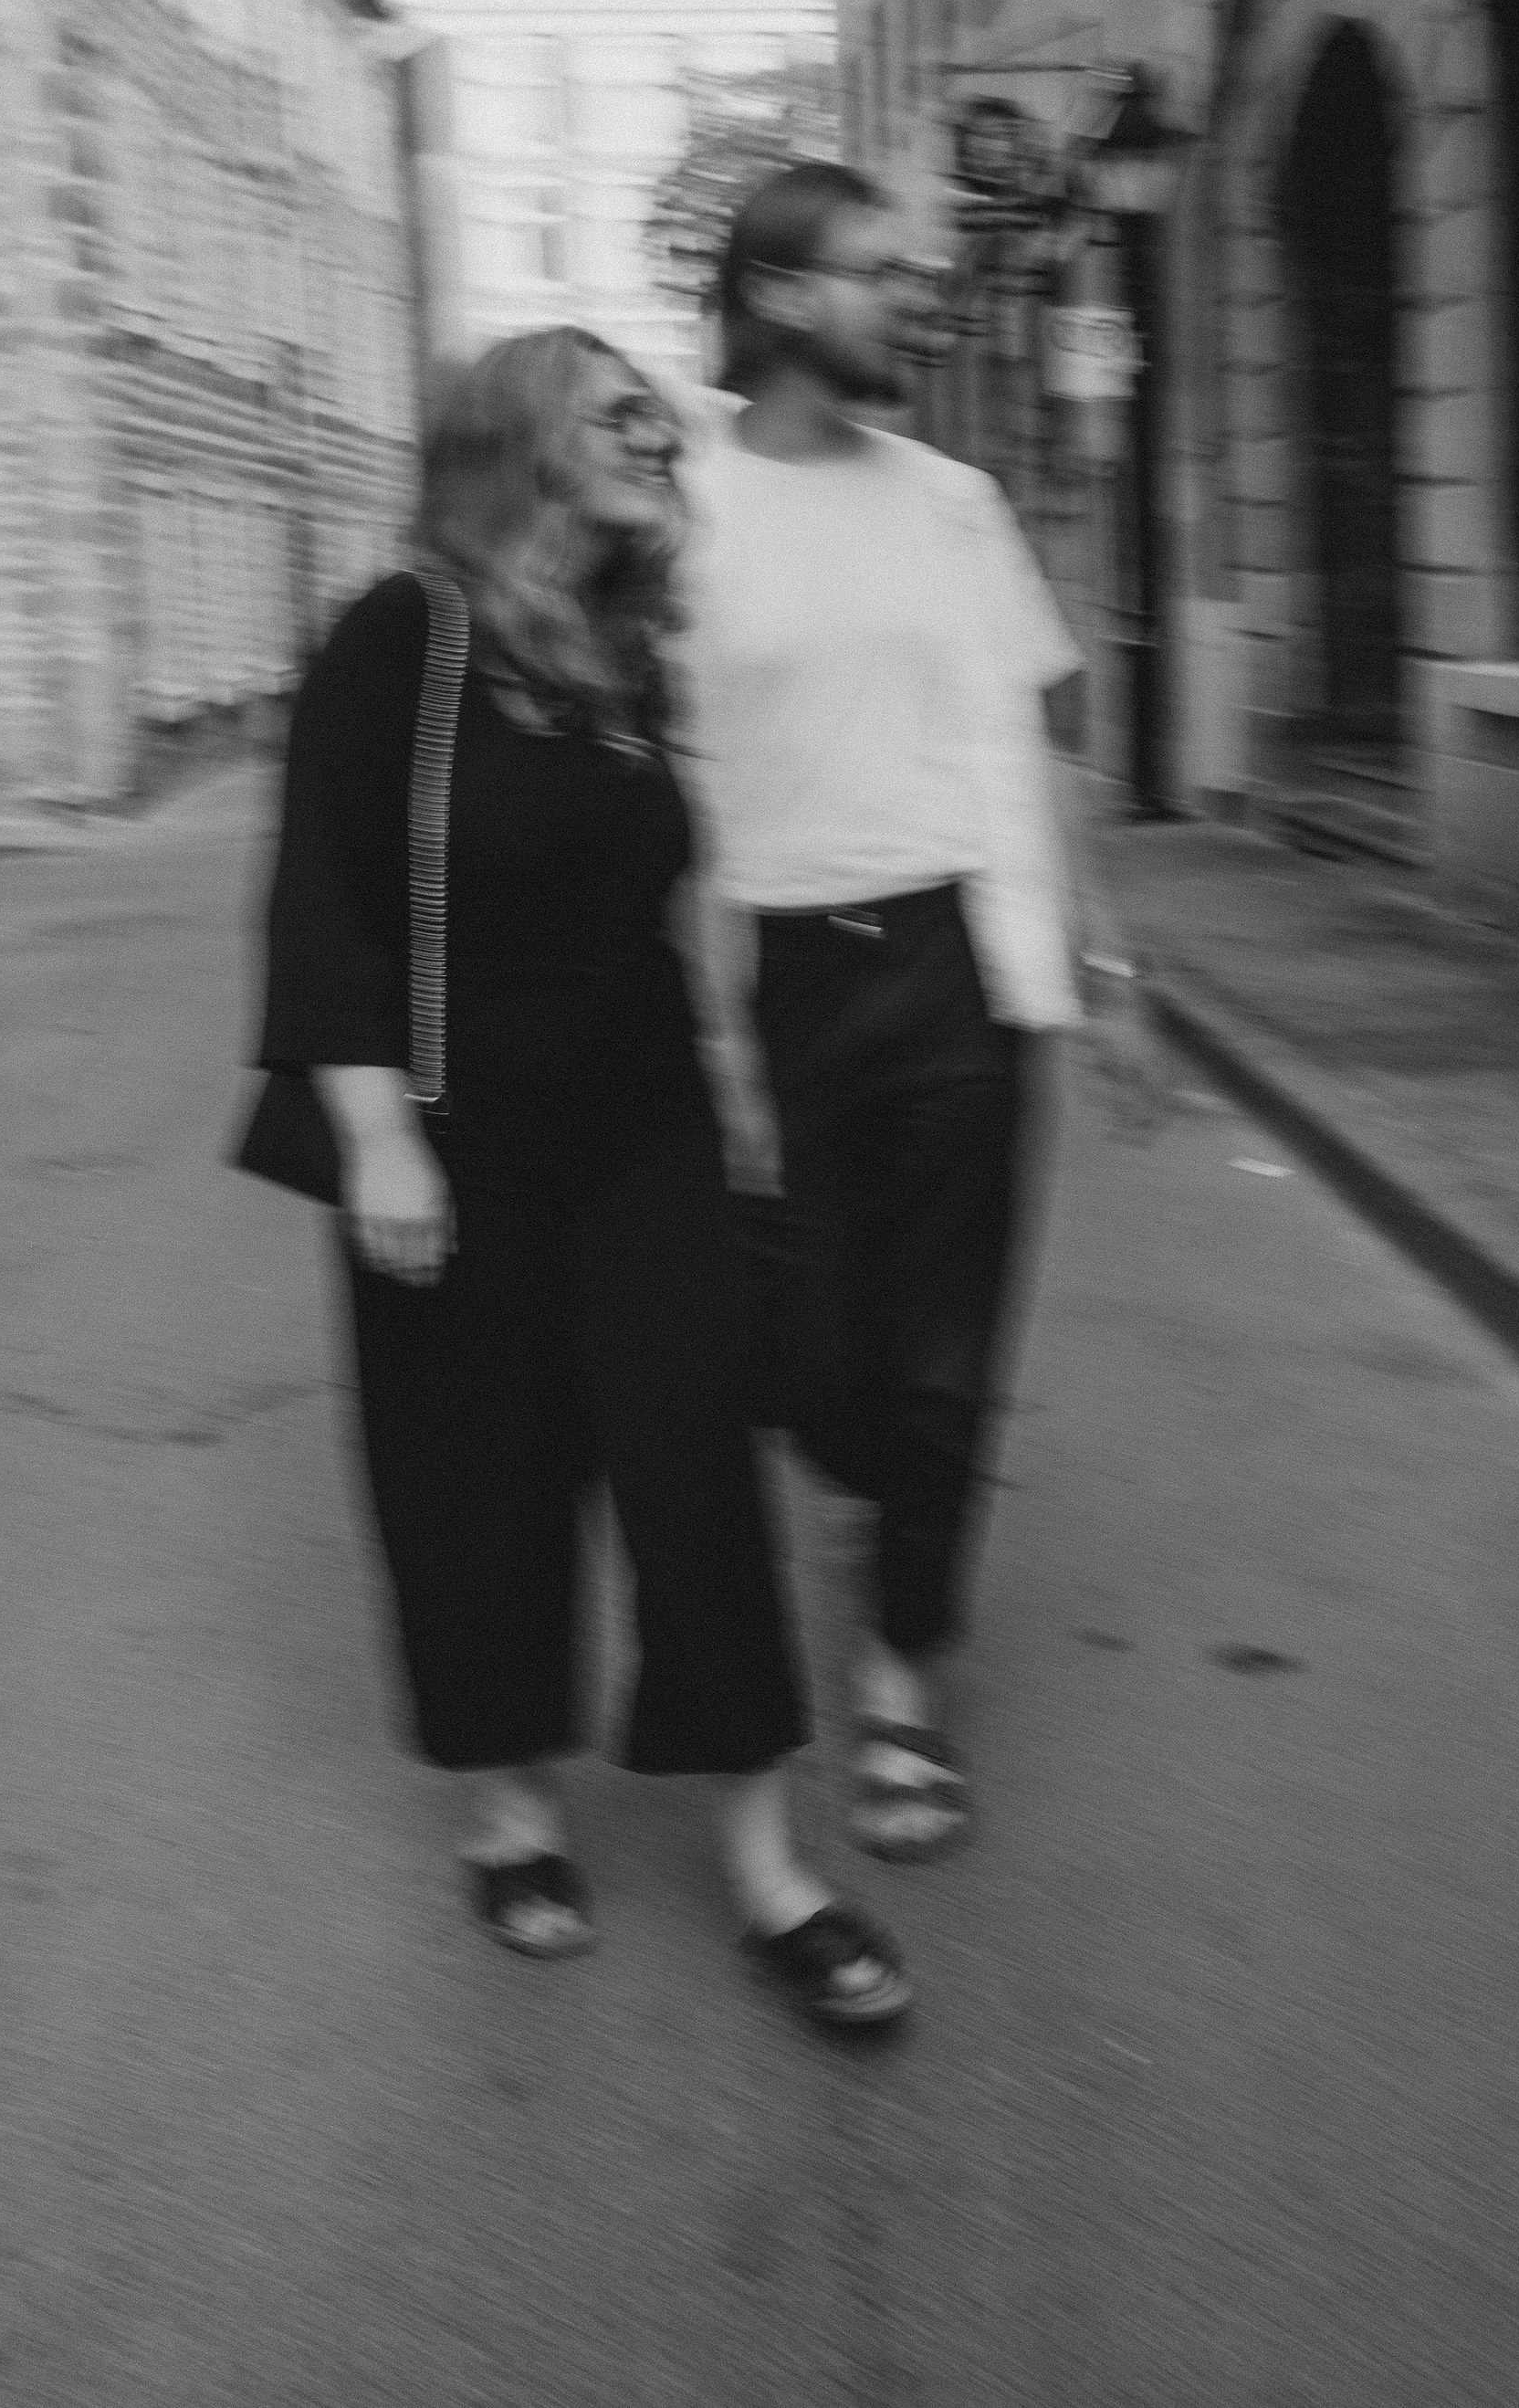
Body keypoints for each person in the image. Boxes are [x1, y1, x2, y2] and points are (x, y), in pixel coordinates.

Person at [255, 327, 908, 2029]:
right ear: (521, 443)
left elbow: (669, 911)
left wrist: (741, 1101)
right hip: (452, 1135)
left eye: (659, 423)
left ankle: (768, 1869)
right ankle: (516, 1811)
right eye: (620, 417)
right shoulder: (401, 634)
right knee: (476, 1471)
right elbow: (322, 899)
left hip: (643, 1133)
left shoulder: (625, 651)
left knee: (697, 1471)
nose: (657, 440)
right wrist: (379, 1137)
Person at [678, 163, 1166, 1863]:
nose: (919, 292)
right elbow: (651, 781)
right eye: (880, 270)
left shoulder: (955, 503)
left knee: (948, 1364)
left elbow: (1039, 745)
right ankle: (873, 1491)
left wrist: (1109, 971)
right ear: (783, 296)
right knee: (813, 1357)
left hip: (961, 960)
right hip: (778, 974)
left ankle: (901, 1676)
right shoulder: (679, 509)